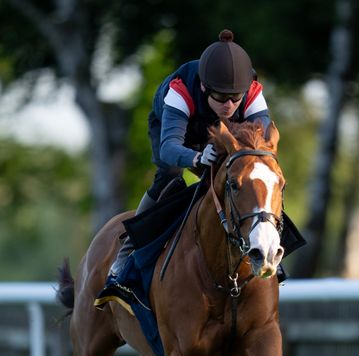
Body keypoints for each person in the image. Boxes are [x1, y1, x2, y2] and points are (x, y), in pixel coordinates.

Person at [95, 29, 272, 312]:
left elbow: (262, 145)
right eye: (220, 97)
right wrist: (197, 157)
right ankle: (126, 253)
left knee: (248, 176)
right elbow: (169, 148)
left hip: (222, 135)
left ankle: (269, 243)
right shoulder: (181, 91)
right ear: (204, 87)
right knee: (170, 176)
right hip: (176, 130)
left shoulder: (251, 92)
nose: (228, 105)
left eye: (235, 98)